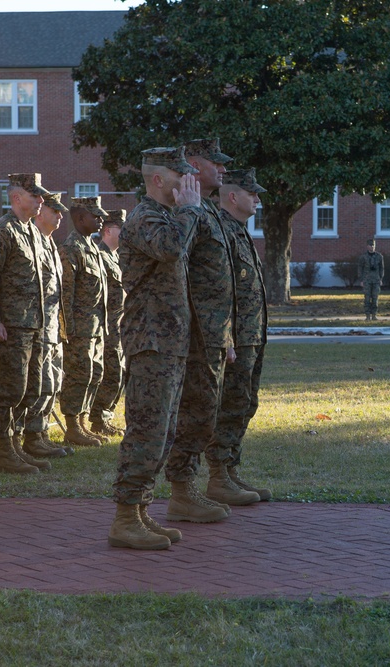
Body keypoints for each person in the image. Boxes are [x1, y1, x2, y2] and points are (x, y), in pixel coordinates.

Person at [108, 146, 201, 550]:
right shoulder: (145, 218)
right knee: (146, 430)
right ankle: (125, 517)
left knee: (163, 433)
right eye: (181, 176)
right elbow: (171, 249)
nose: (188, 183)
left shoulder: (166, 216)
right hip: (150, 341)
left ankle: (141, 511)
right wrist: (191, 210)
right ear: (158, 179)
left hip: (170, 340)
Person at [166, 137, 252, 521]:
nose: (222, 169)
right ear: (194, 164)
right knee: (195, 414)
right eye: (214, 163)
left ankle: (206, 481)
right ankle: (182, 492)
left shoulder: (209, 212)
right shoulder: (188, 212)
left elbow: (222, 282)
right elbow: (178, 273)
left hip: (216, 335)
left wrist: (228, 334)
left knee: (208, 413)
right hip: (196, 335)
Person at [0, 173, 57, 474]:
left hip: (36, 324)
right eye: (35, 196)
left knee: (32, 388)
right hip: (13, 326)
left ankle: (17, 445)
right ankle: (4, 450)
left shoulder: (32, 232)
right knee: (11, 390)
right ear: (16, 198)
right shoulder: (2, 231)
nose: (41, 200)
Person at [208, 168, 271, 502]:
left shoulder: (240, 231)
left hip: (252, 335)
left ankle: (231, 471)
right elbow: (220, 291)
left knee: (246, 403)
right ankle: (217, 476)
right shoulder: (222, 231)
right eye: (252, 193)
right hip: (237, 337)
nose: (257, 199)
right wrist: (227, 337)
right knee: (231, 404)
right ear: (233, 196)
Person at [59, 196, 109, 448]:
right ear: (80, 218)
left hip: (96, 326)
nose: (100, 219)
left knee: (94, 374)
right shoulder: (71, 249)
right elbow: (66, 294)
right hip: (79, 329)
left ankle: (83, 421)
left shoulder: (92, 246)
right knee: (79, 375)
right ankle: (72, 426)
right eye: (95, 216)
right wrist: (67, 330)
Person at [24, 191, 71, 458]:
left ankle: (41, 433)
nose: (60, 216)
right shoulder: (33, 241)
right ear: (41, 214)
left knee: (53, 382)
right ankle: (32, 436)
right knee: (40, 383)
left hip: (53, 328)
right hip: (38, 327)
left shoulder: (50, 243)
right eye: (56, 211)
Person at [88, 209, 126, 438]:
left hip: (118, 324)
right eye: (123, 229)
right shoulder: (100, 255)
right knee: (110, 373)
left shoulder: (115, 256)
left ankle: (105, 415)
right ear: (109, 230)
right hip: (106, 325)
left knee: (118, 373)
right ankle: (97, 418)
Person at [359, 238, 384, 321]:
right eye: (370, 245)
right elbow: (360, 268)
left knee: (375, 298)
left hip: (376, 280)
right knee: (367, 298)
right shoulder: (363, 257)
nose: (372, 247)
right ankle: (367, 316)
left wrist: (381, 278)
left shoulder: (379, 256)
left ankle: (374, 315)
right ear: (367, 246)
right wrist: (361, 280)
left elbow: (381, 268)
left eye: (373, 245)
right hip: (366, 280)